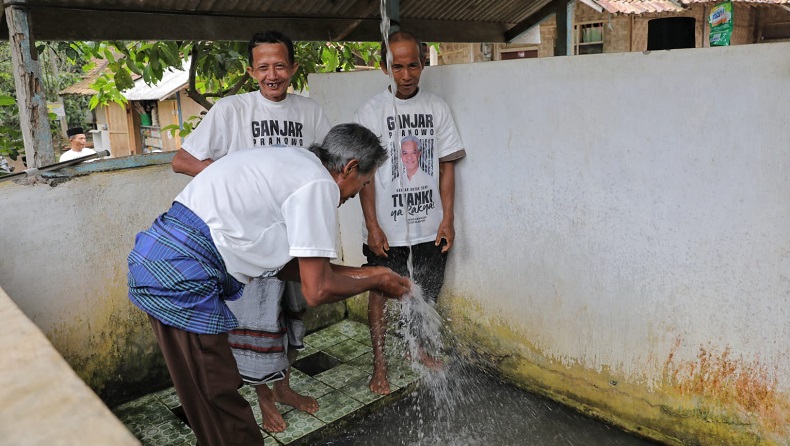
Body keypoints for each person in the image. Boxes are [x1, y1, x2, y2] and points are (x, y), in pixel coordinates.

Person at [128, 123, 411, 446]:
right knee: (224, 409)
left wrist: (371, 276)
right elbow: (316, 290)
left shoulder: (295, 163)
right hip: (182, 278)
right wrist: (377, 277)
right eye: (363, 183)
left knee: (207, 405)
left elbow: (291, 268)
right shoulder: (318, 184)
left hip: (160, 264)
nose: (356, 193)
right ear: (349, 168)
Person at [171, 30, 332, 432]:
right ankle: (264, 401)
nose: (272, 74)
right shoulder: (231, 110)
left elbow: (330, 166)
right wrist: (234, 182)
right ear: (251, 70)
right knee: (257, 326)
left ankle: (285, 388)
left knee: (290, 318)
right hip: (248, 243)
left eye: (280, 66)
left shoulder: (310, 112)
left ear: (293, 68)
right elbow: (182, 160)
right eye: (263, 67)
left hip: (295, 235)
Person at [354, 31, 467, 395]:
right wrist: (373, 226)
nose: (406, 75)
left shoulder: (437, 108)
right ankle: (380, 365)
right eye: (397, 66)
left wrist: (447, 218)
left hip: (430, 225)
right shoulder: (370, 112)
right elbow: (364, 176)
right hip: (387, 229)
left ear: (424, 63)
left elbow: (448, 166)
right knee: (380, 293)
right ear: (384, 67)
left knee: (425, 293)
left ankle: (417, 348)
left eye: (413, 65)